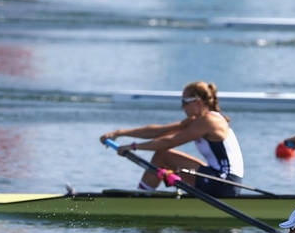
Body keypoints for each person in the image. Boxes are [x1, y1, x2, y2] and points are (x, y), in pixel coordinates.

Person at [99, 81, 244, 197]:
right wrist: (119, 132)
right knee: (166, 159)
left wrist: (133, 147)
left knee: (163, 156)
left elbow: (169, 141)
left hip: (224, 183)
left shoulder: (208, 121)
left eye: (185, 101)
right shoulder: (197, 120)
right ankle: (145, 195)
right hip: (220, 179)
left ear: (198, 102)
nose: (182, 107)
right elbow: (159, 131)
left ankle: (141, 198)